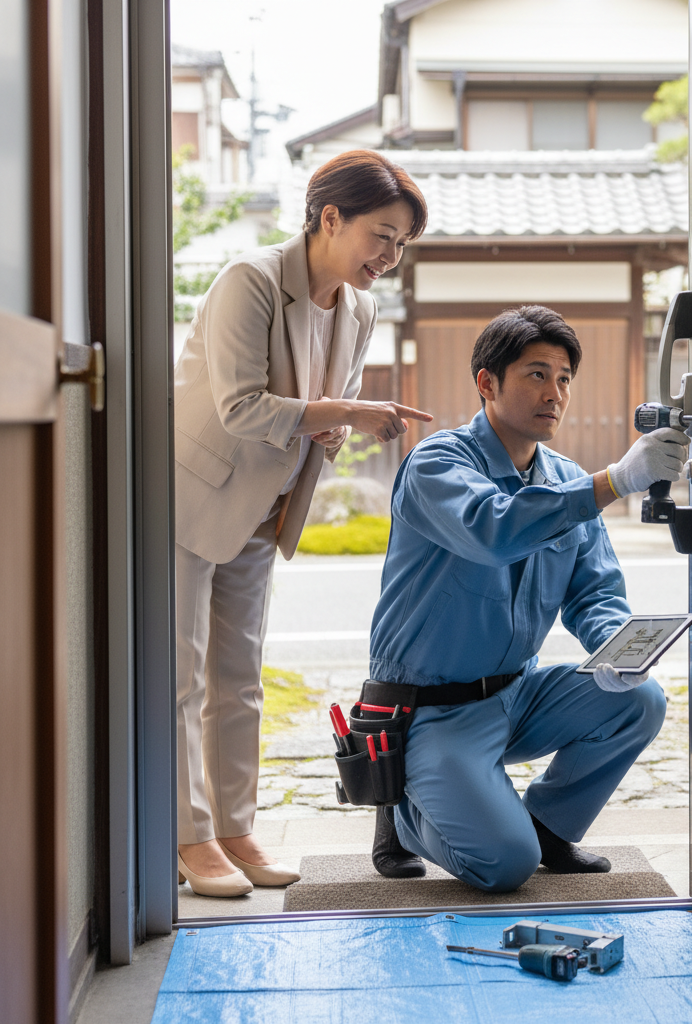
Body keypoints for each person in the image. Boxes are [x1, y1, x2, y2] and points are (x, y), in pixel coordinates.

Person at [174, 150, 432, 897]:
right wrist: (347, 413)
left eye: (402, 245)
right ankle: (192, 841)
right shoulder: (250, 281)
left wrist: (338, 426)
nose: (390, 256)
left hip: (265, 506)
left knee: (239, 677)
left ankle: (236, 827)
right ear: (329, 218)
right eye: (382, 236)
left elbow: (326, 413)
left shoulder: (359, 308)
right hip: (195, 498)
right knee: (184, 677)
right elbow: (242, 408)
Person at [365, 305, 689, 891]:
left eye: (564, 378)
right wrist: (613, 480)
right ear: (487, 383)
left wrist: (618, 651)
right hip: (432, 712)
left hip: (517, 695)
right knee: (503, 867)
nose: (555, 393)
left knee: (641, 700)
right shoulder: (437, 462)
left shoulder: (564, 478)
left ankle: (548, 827)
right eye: (537, 374)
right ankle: (404, 812)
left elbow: (595, 593)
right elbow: (494, 530)